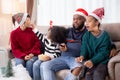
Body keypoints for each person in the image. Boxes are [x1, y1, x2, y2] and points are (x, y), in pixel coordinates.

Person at [40, 8, 88, 80]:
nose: (75, 21)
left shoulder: (88, 33)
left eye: (78, 19)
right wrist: (62, 46)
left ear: (84, 20)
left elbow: (102, 41)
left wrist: (112, 47)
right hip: (63, 58)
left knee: (78, 68)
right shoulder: (68, 31)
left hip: (76, 59)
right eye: (74, 19)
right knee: (45, 65)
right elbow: (59, 40)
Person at [75, 7, 112, 80]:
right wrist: (82, 56)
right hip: (90, 61)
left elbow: (104, 53)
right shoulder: (86, 35)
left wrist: (93, 61)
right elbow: (84, 48)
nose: (86, 24)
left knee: (98, 74)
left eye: (89, 21)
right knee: (88, 76)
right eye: (86, 22)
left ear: (97, 22)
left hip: (101, 62)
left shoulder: (105, 35)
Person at [10, 13, 41, 78]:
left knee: (29, 63)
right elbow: (15, 49)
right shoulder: (13, 34)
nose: (30, 22)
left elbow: (37, 43)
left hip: (32, 54)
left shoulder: (31, 31)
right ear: (23, 22)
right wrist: (23, 56)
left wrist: (32, 53)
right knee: (20, 63)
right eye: (28, 20)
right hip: (20, 55)